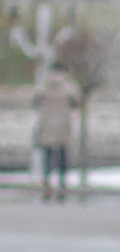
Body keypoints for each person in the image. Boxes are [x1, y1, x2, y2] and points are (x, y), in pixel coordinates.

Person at [34, 69, 77, 202]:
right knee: (62, 153)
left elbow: (34, 101)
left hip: (47, 124)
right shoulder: (69, 86)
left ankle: (46, 180)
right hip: (63, 125)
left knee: (47, 154)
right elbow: (76, 102)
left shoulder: (43, 86)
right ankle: (62, 181)